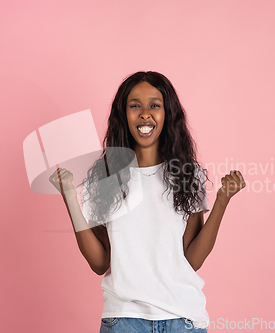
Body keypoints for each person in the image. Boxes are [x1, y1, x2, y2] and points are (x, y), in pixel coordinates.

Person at [49, 71, 245, 333]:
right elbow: (100, 263)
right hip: (123, 320)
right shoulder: (104, 177)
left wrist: (222, 201)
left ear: (168, 114)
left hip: (183, 319)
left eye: (154, 105)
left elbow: (192, 260)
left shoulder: (188, 173)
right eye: (134, 106)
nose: (145, 114)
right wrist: (70, 197)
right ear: (123, 115)